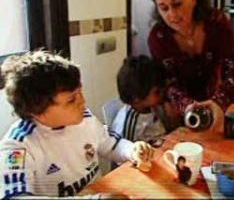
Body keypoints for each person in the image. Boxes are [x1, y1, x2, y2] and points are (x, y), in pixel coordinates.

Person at [0, 51, 154, 198]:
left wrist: (132, 150)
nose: (83, 102)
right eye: (71, 99)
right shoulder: (18, 146)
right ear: (36, 110)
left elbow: (111, 144)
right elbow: (13, 197)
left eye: (80, 92)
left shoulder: (85, 118)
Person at [146, 0, 234, 131]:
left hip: (218, 103)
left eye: (177, 4)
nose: (172, 14)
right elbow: (167, 82)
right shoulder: (158, 37)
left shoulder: (216, 22)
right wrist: (186, 106)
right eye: (163, 8)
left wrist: (219, 101)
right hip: (179, 113)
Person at [111, 55, 167, 144]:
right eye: (157, 92)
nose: (162, 94)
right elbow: (127, 155)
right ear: (137, 99)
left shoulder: (149, 106)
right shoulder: (129, 124)